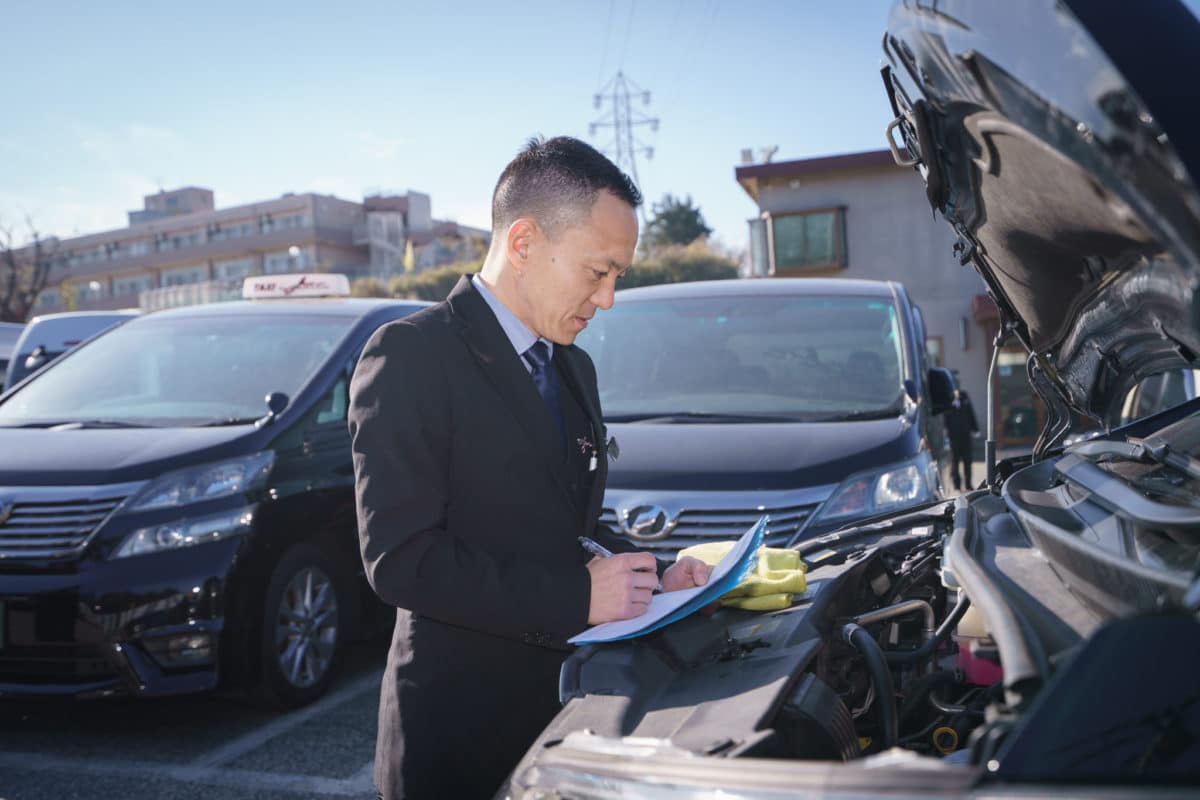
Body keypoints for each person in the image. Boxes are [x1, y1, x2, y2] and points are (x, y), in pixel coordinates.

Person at [348, 136, 712, 799]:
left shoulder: (572, 366)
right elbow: (400, 560)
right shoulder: (408, 355)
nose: (607, 300)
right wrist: (579, 597)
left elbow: (566, 521)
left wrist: (652, 574)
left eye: (617, 277)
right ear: (522, 244)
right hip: (457, 738)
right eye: (596, 271)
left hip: (566, 717)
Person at [944, 387, 979, 490]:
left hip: (965, 434)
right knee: (955, 461)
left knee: (967, 460)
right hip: (953, 435)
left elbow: (970, 412)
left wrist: (975, 428)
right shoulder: (946, 399)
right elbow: (944, 418)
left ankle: (968, 484)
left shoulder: (964, 396)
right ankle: (957, 484)